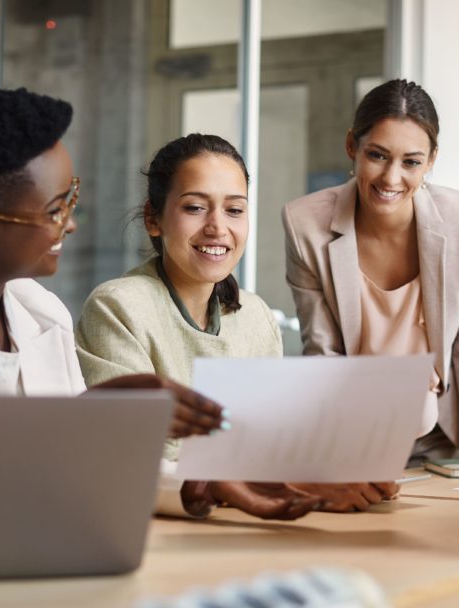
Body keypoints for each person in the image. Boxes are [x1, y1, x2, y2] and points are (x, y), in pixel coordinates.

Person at [0, 89, 309, 542]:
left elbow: (85, 470)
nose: (71, 224)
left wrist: (199, 485)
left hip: (17, 552)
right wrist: (87, 414)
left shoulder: (39, 312)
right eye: (56, 208)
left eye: (73, 197)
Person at [77, 133, 376, 516]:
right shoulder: (118, 307)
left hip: (242, 521)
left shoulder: (255, 316)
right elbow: (129, 454)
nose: (217, 227)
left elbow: (267, 444)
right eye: (195, 208)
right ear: (153, 219)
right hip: (156, 527)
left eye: (234, 210)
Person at [282, 79, 459, 472]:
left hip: (436, 435)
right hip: (351, 434)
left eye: (411, 162)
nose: (391, 179)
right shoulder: (306, 223)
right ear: (353, 147)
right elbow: (322, 350)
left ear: (431, 161)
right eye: (378, 155)